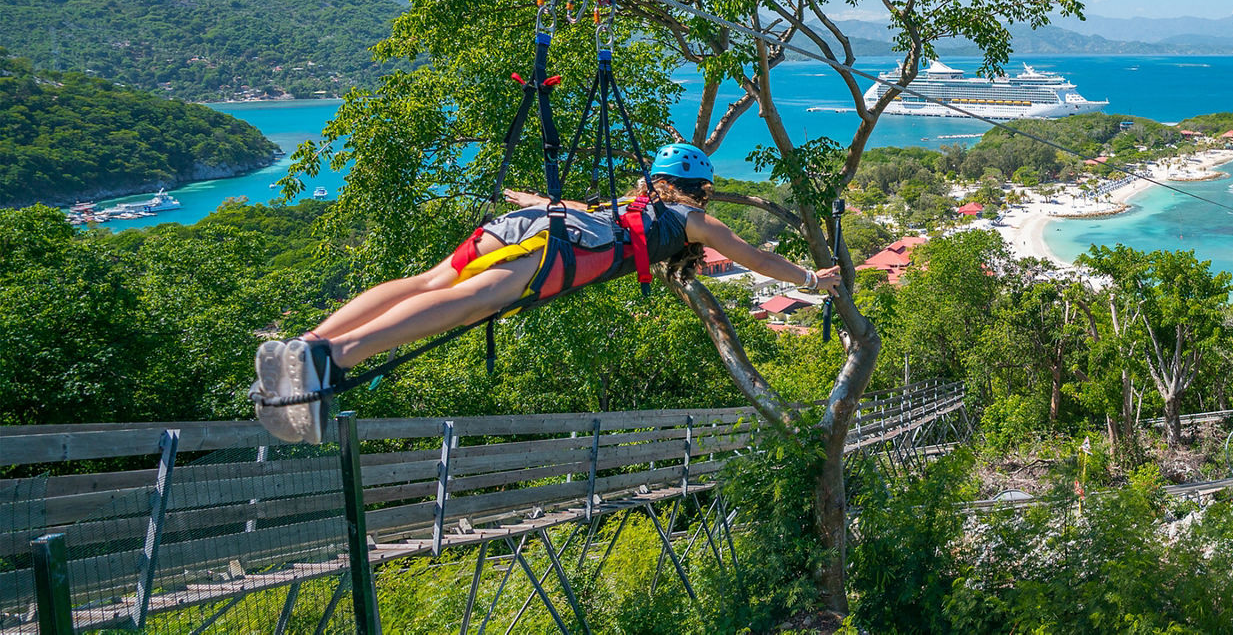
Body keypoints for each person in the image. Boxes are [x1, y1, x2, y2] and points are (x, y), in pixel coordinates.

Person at [251, 143, 841, 443]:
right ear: (701, 190)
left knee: (429, 282)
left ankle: (310, 341)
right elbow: (754, 256)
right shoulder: (691, 219)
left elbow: (587, 212)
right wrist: (811, 280)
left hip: (537, 226)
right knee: (471, 303)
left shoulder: (636, 204)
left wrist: (533, 202)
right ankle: (332, 357)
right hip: (560, 250)